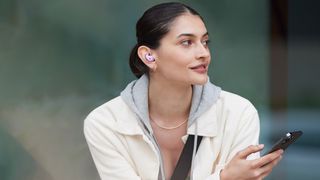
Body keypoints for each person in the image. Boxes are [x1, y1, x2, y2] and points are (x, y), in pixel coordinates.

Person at [84, 2, 283, 180]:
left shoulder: (238, 113)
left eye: (205, 42)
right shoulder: (105, 123)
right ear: (149, 56)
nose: (203, 53)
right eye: (186, 42)